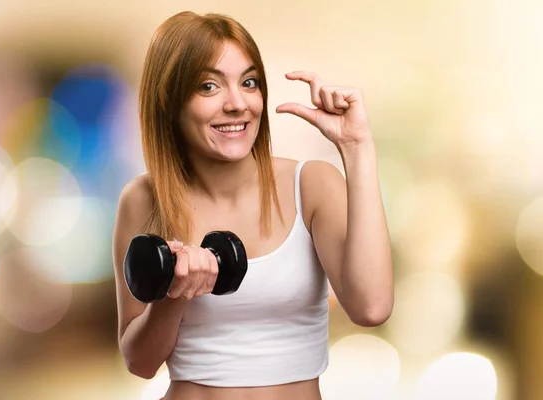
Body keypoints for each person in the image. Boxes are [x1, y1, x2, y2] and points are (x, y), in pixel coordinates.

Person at [112, 10, 394, 400]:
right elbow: (139, 363)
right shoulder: (142, 199)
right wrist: (176, 293)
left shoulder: (311, 184)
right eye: (208, 86)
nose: (237, 104)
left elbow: (372, 307)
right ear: (169, 100)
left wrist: (356, 147)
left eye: (249, 82)